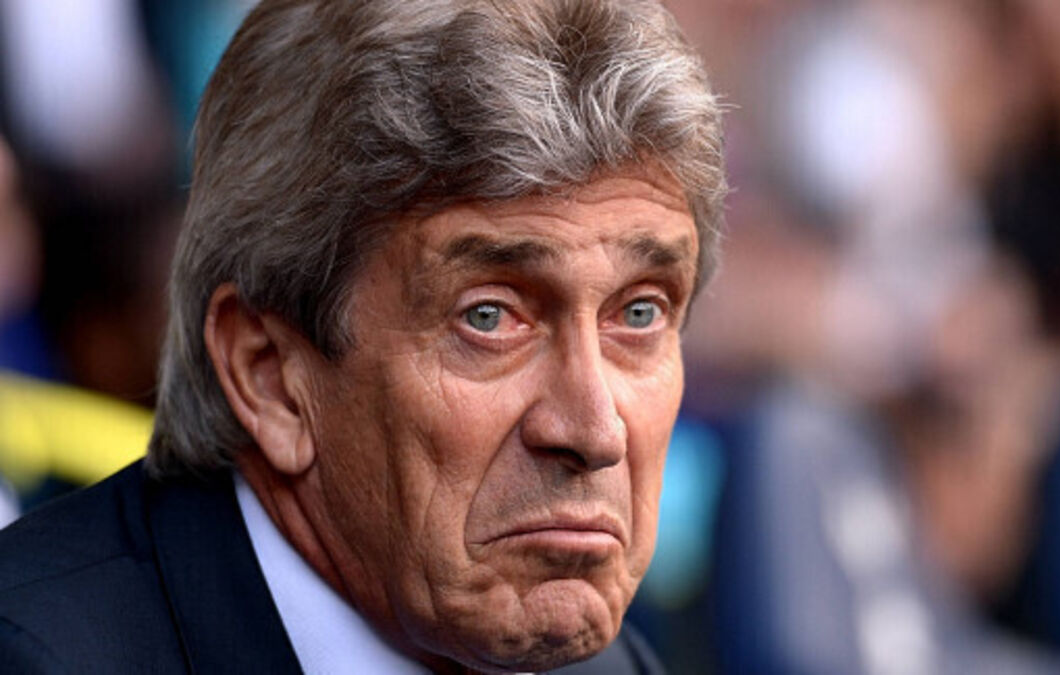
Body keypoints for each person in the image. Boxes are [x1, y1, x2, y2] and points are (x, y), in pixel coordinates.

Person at [0, 0, 726, 672]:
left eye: (639, 314)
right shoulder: (36, 655)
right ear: (269, 376)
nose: (596, 432)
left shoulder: (609, 665)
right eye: (488, 316)